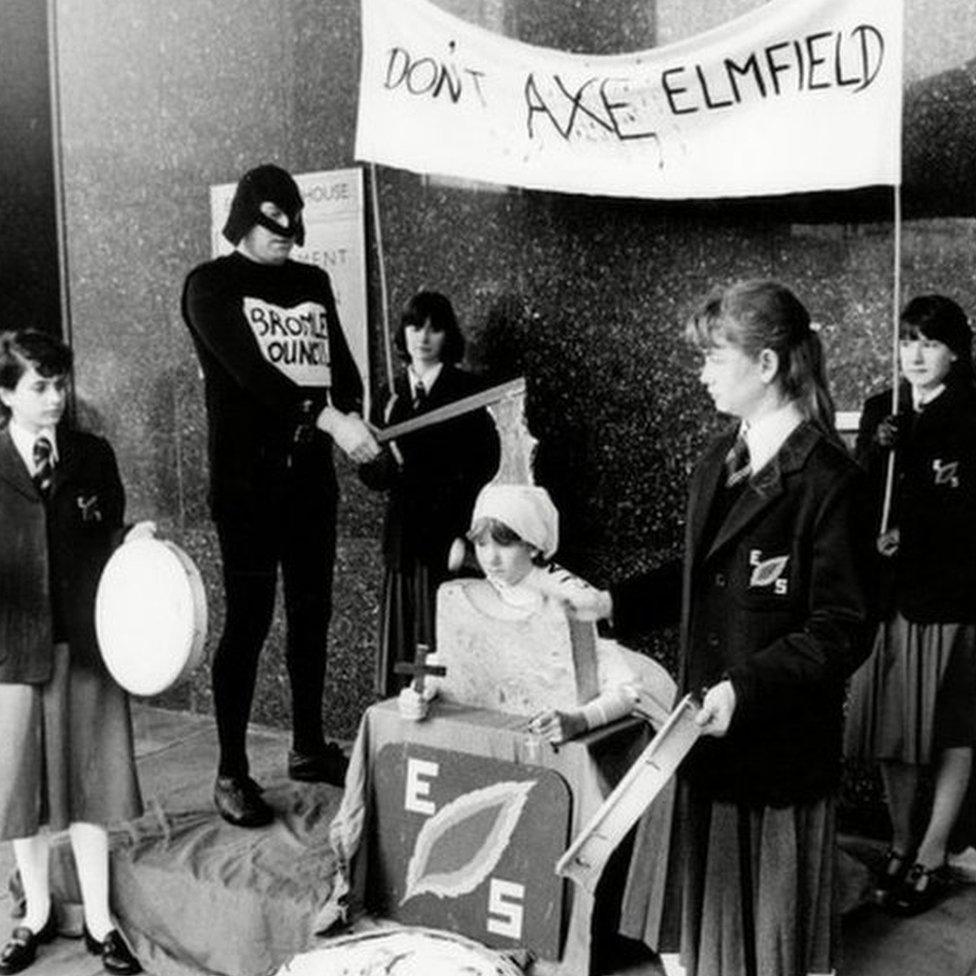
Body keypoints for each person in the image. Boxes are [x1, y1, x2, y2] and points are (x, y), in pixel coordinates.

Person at [565, 281, 870, 976]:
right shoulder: (718, 457)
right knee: (701, 941)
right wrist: (610, 602)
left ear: (766, 366)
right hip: (703, 735)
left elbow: (842, 628)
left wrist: (745, 688)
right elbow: (700, 570)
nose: (701, 373)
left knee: (770, 947)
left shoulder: (830, 480)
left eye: (714, 358)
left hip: (776, 750)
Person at [181, 163, 380, 828]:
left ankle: (306, 745)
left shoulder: (311, 281)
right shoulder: (210, 287)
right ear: (243, 219)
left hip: (309, 482)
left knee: (313, 613)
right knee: (249, 621)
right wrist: (327, 419)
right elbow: (254, 376)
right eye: (273, 223)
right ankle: (232, 770)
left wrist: (355, 415)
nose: (287, 234)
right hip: (246, 486)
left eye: (295, 223)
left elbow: (339, 370)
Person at [0, 330, 145, 975]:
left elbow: (107, 532)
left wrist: (131, 538)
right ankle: (33, 916)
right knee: (18, 794)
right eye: (40, 387)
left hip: (85, 645)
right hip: (10, 652)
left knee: (91, 785)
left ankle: (99, 920)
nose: (56, 398)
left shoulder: (92, 454)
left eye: (62, 385)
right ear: (6, 392)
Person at [845, 295, 976, 915]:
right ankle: (899, 844)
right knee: (893, 729)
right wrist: (876, 448)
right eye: (906, 341)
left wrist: (917, 533)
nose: (915, 355)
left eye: (928, 342)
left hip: (952, 596)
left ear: (955, 349)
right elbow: (855, 497)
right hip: (888, 594)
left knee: (953, 730)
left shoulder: (973, 409)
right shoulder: (882, 409)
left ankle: (933, 852)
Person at [398, 482, 675, 738]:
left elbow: (628, 689)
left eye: (504, 545)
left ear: (532, 546)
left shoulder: (571, 599)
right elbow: (453, 659)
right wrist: (419, 693)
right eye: (482, 544)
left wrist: (579, 720)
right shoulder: (475, 592)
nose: (491, 558)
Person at [358, 291, 500, 698]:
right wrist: (388, 462)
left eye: (435, 328)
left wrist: (464, 534)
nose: (423, 337)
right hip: (404, 540)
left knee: (445, 641)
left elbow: (483, 468)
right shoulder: (389, 394)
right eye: (415, 326)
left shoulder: (468, 390)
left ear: (448, 335)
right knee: (407, 647)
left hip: (448, 538)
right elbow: (371, 474)